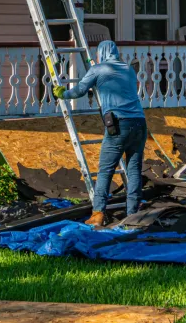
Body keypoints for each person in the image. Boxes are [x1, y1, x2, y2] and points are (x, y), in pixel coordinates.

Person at [53, 40, 147, 226]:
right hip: (140, 122)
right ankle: (132, 214)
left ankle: (98, 215)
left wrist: (62, 93)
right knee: (134, 169)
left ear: (102, 53)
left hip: (119, 124)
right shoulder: (128, 69)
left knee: (105, 171)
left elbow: (79, 90)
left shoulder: (98, 69)